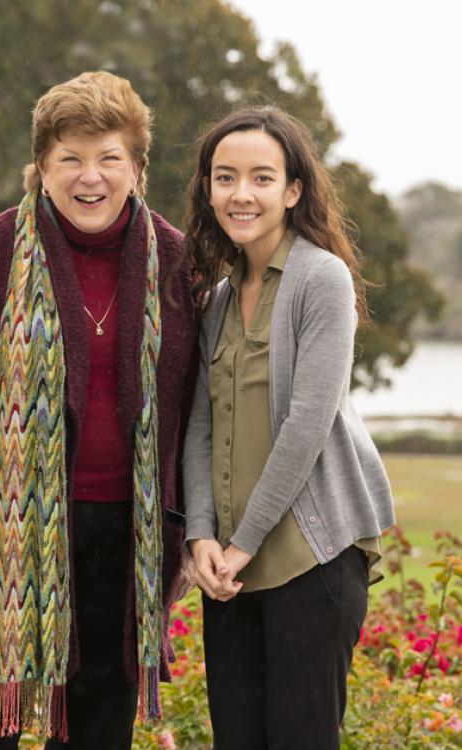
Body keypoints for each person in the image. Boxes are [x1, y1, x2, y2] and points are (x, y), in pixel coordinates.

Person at [0, 71, 197, 750]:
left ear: (137, 169)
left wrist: (184, 531)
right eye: (69, 158)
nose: (89, 177)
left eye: (108, 159)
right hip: (0, 541)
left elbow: (192, 418)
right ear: (41, 168)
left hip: (123, 547)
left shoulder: (177, 263)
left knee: (98, 729)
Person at [181, 106, 395, 750]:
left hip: (310, 561)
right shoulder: (217, 298)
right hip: (228, 570)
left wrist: (240, 543)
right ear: (208, 189)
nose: (241, 194)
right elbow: (197, 424)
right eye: (225, 177)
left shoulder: (321, 280)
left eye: (261, 178)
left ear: (293, 190)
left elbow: (308, 423)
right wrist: (200, 541)